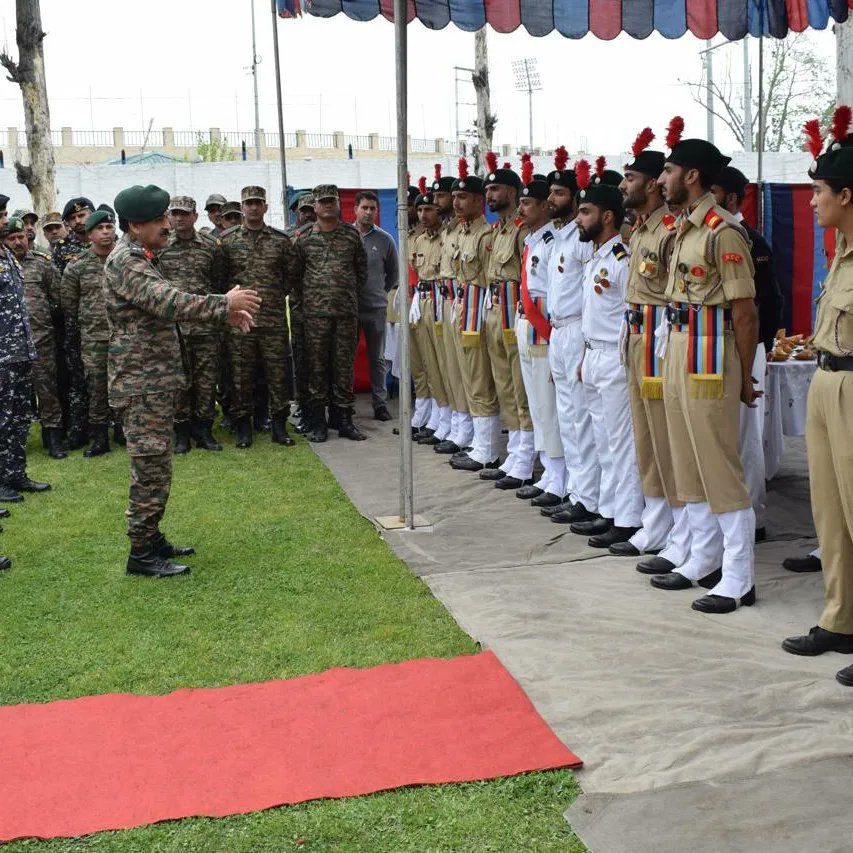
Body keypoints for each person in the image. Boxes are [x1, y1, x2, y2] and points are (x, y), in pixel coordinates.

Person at [104, 184, 260, 577]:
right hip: (141, 384)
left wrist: (223, 311)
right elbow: (168, 300)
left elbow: (169, 299)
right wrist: (224, 304)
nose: (167, 225)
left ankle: (150, 536)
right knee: (150, 467)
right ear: (136, 225)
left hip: (151, 381)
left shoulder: (140, 255)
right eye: (158, 220)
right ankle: (141, 553)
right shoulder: (127, 260)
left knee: (158, 464)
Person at [652, 120, 759, 613]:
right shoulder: (682, 229)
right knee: (686, 458)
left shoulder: (723, 232)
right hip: (679, 344)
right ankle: (702, 554)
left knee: (718, 462)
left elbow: (743, 310)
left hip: (711, 353)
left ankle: (738, 575)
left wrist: (741, 374)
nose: (661, 180)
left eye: (669, 171)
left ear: (692, 176)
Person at [782, 141, 853, 685]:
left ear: (846, 195)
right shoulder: (841, 251)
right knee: (829, 515)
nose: (810, 202)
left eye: (820, 192)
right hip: (827, 380)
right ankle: (841, 618)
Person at [617, 130, 691, 567]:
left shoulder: (667, 229)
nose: (624, 186)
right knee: (644, 437)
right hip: (635, 336)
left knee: (665, 439)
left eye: (631, 178)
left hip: (659, 338)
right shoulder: (640, 230)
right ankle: (657, 520)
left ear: (649, 185)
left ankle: (681, 531)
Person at [711, 165, 783, 541]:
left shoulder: (748, 239)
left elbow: (768, 303)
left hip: (746, 343)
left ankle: (753, 517)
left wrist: (756, 351)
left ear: (733, 198)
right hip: (717, 343)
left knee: (745, 435)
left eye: (715, 191)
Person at [573, 159, 643, 547]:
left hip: (616, 358)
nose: (580, 219)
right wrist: (585, 357)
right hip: (593, 355)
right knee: (602, 439)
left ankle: (628, 517)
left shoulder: (621, 259)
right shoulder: (595, 257)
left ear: (608, 216)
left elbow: (629, 316)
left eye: (586, 212)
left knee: (621, 442)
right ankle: (609, 508)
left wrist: (619, 358)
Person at [542, 148, 599, 526]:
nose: (552, 200)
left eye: (560, 194)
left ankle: (588, 496)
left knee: (581, 418)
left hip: (579, 328)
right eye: (551, 193)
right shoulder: (555, 239)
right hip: (558, 329)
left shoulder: (581, 240)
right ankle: (574, 489)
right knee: (566, 416)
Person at [220, 186, 296, 449]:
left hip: (272, 319)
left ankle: (278, 426)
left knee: (277, 374)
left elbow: (290, 276)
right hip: (241, 320)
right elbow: (220, 279)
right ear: (242, 207)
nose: (253, 207)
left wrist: (273, 296)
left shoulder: (280, 240)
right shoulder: (227, 241)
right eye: (248, 203)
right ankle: (243, 428)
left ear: (265, 207)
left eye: (258, 203)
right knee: (241, 374)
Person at [293, 184, 368, 443]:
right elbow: (295, 276)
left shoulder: (351, 235)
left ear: (338, 204)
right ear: (314, 206)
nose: (327, 205)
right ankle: (317, 422)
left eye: (331, 201)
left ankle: (343, 419)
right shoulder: (303, 238)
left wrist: (343, 294)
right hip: (315, 317)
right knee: (317, 369)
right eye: (322, 202)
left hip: (345, 314)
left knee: (343, 368)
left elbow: (361, 273)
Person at [481, 153, 535, 491]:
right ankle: (515, 451)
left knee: (520, 387)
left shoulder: (519, 230)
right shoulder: (497, 230)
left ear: (513, 193)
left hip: (514, 310)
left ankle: (526, 455)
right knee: (504, 383)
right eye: (487, 190)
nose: (490, 195)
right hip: (494, 308)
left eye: (496, 189)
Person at [159, 196, 227, 453]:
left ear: (195, 217)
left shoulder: (211, 246)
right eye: (175, 213)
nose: (179, 218)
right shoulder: (161, 246)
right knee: (179, 382)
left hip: (206, 327)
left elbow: (219, 283)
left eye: (185, 213)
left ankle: (204, 431)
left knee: (207, 382)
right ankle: (181, 433)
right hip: (174, 328)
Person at [515, 163, 565, 508]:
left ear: (545, 206)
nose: (521, 209)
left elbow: (552, 292)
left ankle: (559, 475)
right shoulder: (532, 240)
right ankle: (548, 469)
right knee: (536, 402)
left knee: (549, 405)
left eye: (528, 203)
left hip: (543, 326)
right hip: (527, 321)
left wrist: (549, 333)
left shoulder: (551, 241)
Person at [449, 159, 502, 472]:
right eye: (455, 196)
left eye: (463, 197)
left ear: (479, 202)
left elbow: (487, 280)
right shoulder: (463, 233)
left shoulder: (485, 235)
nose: (456, 202)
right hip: (462, 309)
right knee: (469, 378)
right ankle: (479, 442)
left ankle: (488, 448)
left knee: (481, 380)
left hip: (479, 312)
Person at [0, 201, 51, 508]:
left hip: (19, 351)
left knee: (19, 417)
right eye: (1, 216)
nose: (6, 221)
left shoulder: (6, 253)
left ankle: (15, 473)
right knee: (1, 420)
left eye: (5, 215)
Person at [3, 217, 66, 459]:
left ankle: (53, 439)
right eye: (12, 238)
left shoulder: (42, 263)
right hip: (8, 345)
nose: (19, 241)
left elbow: (58, 298)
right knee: (13, 397)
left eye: (21, 237)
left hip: (41, 340)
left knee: (47, 390)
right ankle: (15, 444)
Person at [60, 209, 118, 457]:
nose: (106, 232)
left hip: (126, 335)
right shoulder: (77, 266)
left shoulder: (126, 259)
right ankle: (99, 438)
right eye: (100, 228)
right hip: (94, 337)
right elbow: (69, 305)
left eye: (109, 227)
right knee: (96, 388)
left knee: (126, 385)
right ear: (90, 234)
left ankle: (125, 432)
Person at [433, 164, 473, 455]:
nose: (444, 202)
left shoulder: (476, 233)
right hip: (449, 301)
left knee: (472, 374)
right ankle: (458, 426)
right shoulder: (449, 231)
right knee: (449, 369)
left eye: (458, 196)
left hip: (472, 304)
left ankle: (472, 433)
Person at [409, 179, 451, 443]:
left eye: (429, 209)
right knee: (424, 362)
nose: (424, 214)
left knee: (443, 364)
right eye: (421, 210)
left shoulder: (447, 237)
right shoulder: (419, 240)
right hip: (422, 300)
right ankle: (433, 415)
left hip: (442, 301)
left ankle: (444, 419)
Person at [53, 196, 94, 450]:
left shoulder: (108, 243)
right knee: (78, 380)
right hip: (75, 327)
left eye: (83, 215)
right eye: (74, 218)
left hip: (106, 324)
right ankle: (78, 431)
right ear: (68, 223)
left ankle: (117, 429)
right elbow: (60, 292)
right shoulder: (61, 251)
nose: (79, 221)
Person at [354, 191, 396, 421]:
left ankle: (380, 404)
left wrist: (379, 292)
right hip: (349, 308)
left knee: (377, 358)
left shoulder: (385, 239)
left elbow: (394, 274)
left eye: (372, 208)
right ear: (356, 209)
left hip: (376, 308)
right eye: (365, 208)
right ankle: (345, 404)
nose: (368, 212)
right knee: (345, 358)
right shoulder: (347, 236)